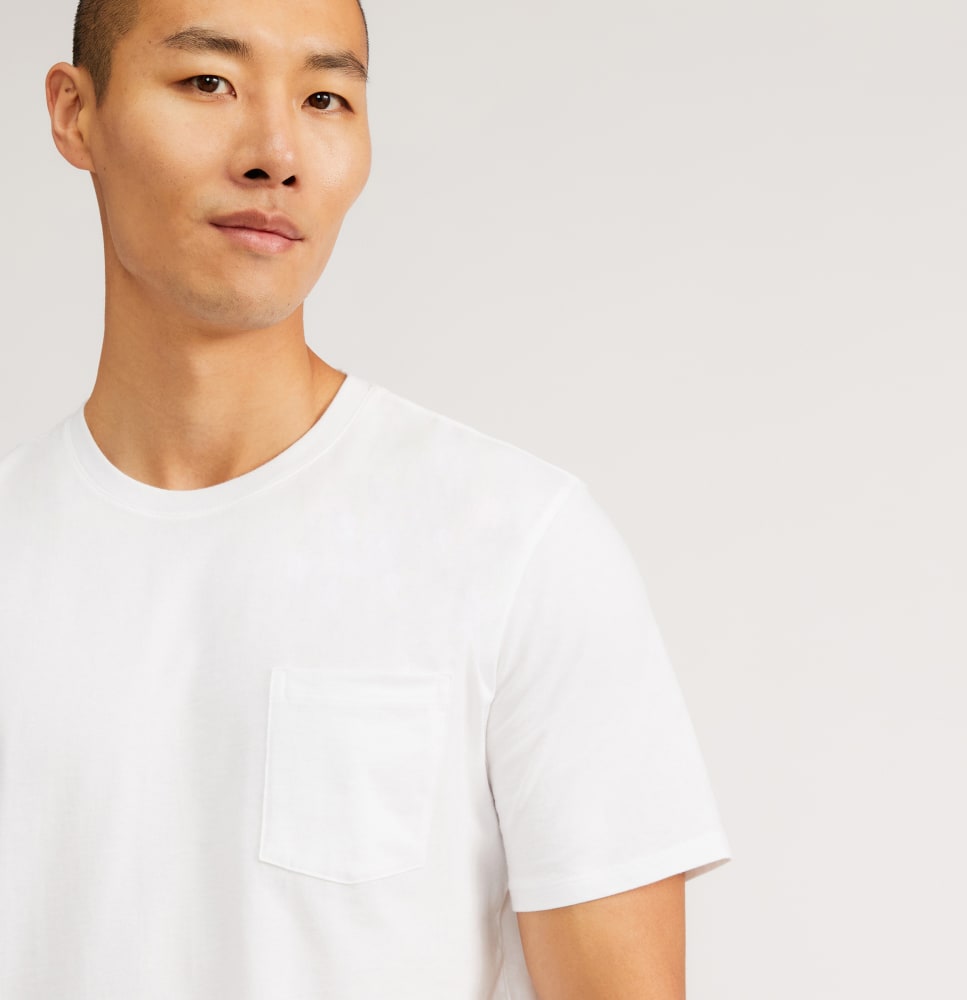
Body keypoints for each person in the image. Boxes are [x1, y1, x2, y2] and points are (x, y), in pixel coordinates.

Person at [0, 0, 731, 996]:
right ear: (74, 113)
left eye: (325, 98)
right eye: (209, 82)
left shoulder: (518, 548)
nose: (275, 153)